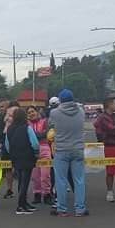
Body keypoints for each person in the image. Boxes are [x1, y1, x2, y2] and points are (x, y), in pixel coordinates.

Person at [49, 89, 87, 217]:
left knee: (61, 181)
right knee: (79, 180)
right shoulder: (81, 112)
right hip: (78, 149)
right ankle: (80, 209)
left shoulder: (54, 113)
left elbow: (51, 126)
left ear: (60, 100)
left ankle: (62, 208)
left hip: (61, 149)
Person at [6, 107, 39, 214]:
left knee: (21, 181)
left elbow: (7, 145)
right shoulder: (27, 128)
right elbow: (34, 143)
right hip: (27, 157)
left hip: (15, 158)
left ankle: (24, 203)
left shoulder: (9, 129)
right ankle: (21, 206)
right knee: (25, 182)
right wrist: (36, 152)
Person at [28, 106, 52, 205]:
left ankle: (47, 194)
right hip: (32, 151)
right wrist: (38, 134)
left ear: (37, 112)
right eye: (29, 112)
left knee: (45, 175)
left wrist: (34, 134)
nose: (31, 114)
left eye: (32, 111)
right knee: (35, 176)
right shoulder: (27, 124)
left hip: (45, 149)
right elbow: (35, 135)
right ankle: (37, 194)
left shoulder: (45, 121)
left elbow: (45, 134)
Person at [0, 100, 13, 199]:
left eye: (2, 106)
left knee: (19, 168)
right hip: (4, 146)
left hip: (13, 145)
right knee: (7, 168)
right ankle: (10, 189)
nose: (0, 108)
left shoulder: (11, 117)